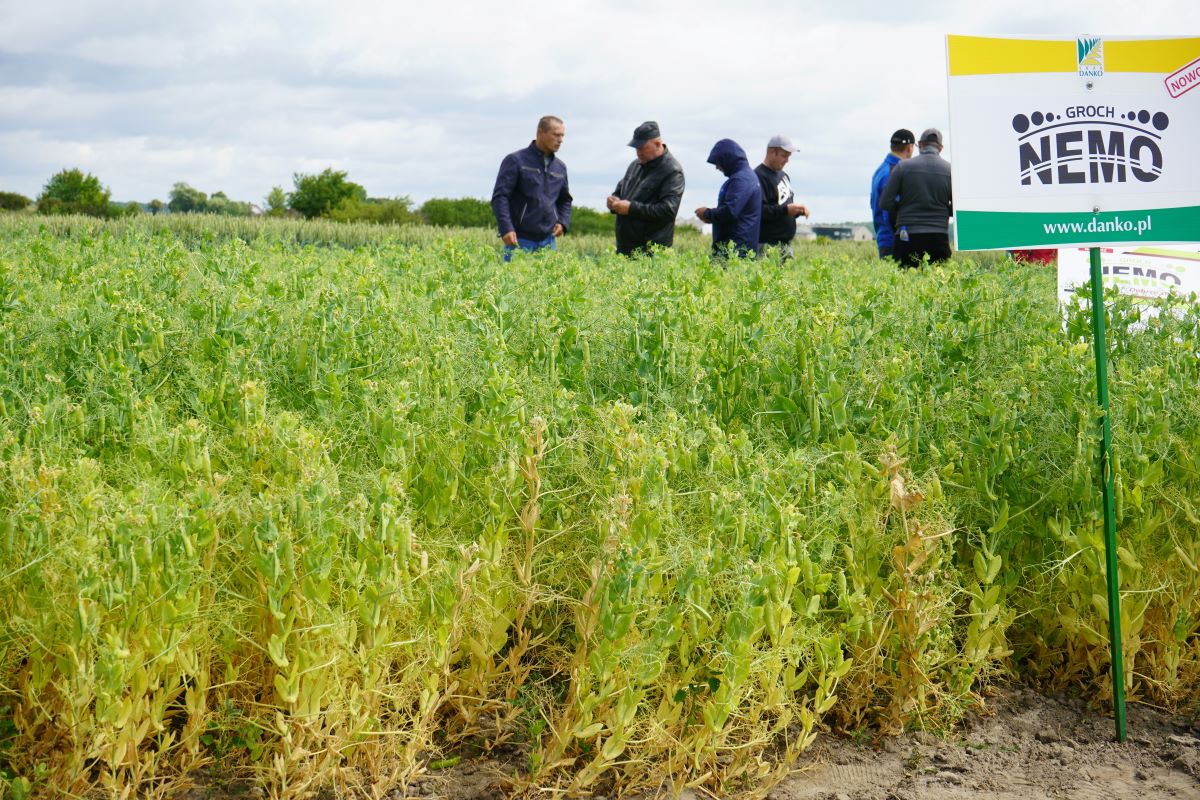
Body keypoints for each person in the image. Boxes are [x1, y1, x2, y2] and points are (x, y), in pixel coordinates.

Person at [491, 116, 572, 260]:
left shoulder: (560, 167)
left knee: (549, 282)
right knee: (514, 282)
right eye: (556, 135)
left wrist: (563, 222)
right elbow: (500, 197)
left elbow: (565, 200)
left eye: (562, 135)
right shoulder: (516, 160)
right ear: (540, 133)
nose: (560, 140)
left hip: (548, 242)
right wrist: (506, 228)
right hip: (519, 240)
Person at [607, 121, 686, 255]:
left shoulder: (672, 171)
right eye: (636, 148)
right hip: (625, 249)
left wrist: (631, 209)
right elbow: (621, 190)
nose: (638, 152)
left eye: (642, 148)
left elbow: (668, 210)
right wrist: (614, 200)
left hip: (650, 253)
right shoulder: (634, 165)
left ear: (657, 144)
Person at [880, 128, 953, 268]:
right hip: (939, 237)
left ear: (920, 144)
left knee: (905, 284)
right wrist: (941, 210)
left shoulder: (902, 167)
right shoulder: (949, 170)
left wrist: (904, 207)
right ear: (941, 148)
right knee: (938, 285)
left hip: (907, 236)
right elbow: (955, 208)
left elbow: (885, 203)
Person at [695, 139, 761, 258]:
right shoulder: (746, 177)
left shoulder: (741, 180)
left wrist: (707, 213)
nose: (716, 167)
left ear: (727, 160)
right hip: (740, 249)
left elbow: (730, 211)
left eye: (718, 162)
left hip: (735, 252)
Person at [754, 135, 809, 258]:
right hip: (767, 245)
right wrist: (786, 210)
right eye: (784, 156)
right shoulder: (758, 176)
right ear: (771, 152)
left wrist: (797, 211)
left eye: (788, 157)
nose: (787, 160)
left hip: (785, 245)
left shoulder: (784, 176)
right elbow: (759, 210)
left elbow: (783, 207)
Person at [870, 129, 915, 258]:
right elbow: (890, 211)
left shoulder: (880, 170)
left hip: (884, 238)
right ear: (909, 147)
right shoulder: (895, 172)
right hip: (894, 240)